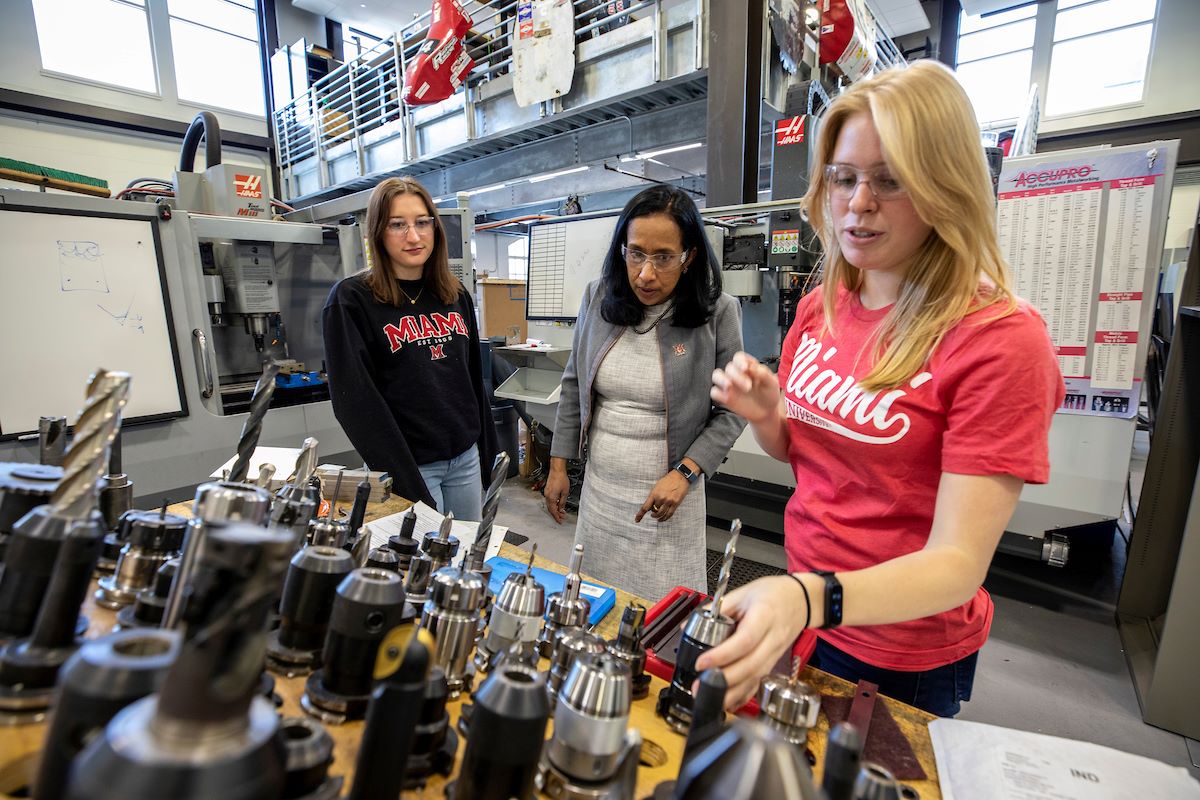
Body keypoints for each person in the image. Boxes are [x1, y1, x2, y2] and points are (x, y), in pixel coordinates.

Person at [702, 61, 1064, 717]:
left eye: (890, 181)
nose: (858, 203)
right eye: (843, 178)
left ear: (945, 187)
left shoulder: (999, 341)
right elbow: (803, 451)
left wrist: (810, 595)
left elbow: (957, 562)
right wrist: (765, 413)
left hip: (900, 648)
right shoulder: (825, 305)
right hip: (807, 609)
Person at [543, 185, 747, 601]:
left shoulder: (717, 312)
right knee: (594, 603)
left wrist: (687, 472)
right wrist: (558, 464)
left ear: (689, 257)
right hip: (601, 495)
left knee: (659, 617)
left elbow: (733, 409)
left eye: (663, 257)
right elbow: (574, 384)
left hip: (669, 499)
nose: (646, 274)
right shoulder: (597, 297)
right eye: (636, 253)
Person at [322, 176, 498, 520]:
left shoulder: (455, 294)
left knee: (464, 559)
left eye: (422, 223)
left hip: (464, 458)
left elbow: (473, 380)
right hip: (411, 466)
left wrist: (489, 454)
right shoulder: (352, 300)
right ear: (378, 232)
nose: (414, 236)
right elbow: (356, 405)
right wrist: (404, 481)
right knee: (421, 563)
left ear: (436, 228)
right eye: (397, 225)